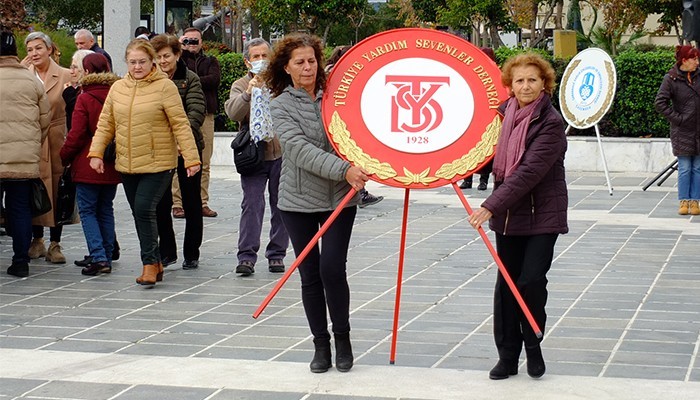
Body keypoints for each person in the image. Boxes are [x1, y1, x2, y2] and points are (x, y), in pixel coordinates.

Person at [264, 33, 368, 373]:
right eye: (300, 62)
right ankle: (320, 344)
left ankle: (343, 339)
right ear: (286, 67)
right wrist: (345, 169)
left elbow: (362, 131)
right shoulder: (278, 103)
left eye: (312, 60)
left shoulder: (339, 96)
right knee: (310, 274)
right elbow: (297, 149)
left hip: (341, 195)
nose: (308, 67)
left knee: (332, 269)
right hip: (297, 201)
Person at [468, 53, 568, 380]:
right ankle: (507, 356)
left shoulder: (551, 124)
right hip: (510, 217)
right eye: (520, 80)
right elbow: (477, 150)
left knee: (531, 281)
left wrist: (489, 205)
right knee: (507, 285)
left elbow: (527, 173)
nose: (526, 86)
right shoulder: (502, 115)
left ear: (544, 84)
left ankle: (533, 343)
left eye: (533, 80)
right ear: (510, 85)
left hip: (542, 216)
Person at [88, 38, 201, 286]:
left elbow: (180, 124)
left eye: (142, 62)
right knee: (139, 213)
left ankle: (149, 262)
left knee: (144, 209)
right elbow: (106, 123)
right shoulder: (118, 88)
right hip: (127, 163)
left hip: (158, 162)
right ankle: (156, 262)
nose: (137, 67)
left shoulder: (165, 87)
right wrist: (96, 153)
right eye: (132, 62)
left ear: (152, 62)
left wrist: (191, 158)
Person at [225, 38, 289, 276]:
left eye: (265, 56)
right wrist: (249, 93)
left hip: (280, 152)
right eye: (256, 57)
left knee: (281, 204)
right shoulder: (241, 84)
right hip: (253, 154)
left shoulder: (281, 82)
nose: (261, 61)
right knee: (252, 204)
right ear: (247, 61)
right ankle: (246, 256)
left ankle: (277, 254)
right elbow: (233, 112)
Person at [59, 53, 121, 276]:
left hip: (88, 163)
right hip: (112, 163)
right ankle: (105, 253)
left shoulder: (84, 98)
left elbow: (75, 135)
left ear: (87, 72)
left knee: (87, 210)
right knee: (105, 208)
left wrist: (63, 156)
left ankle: (98, 256)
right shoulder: (118, 93)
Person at [151, 34, 205, 270]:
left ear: (177, 55)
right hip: (159, 149)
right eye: (158, 57)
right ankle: (167, 251)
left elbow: (196, 111)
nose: (163, 61)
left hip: (188, 147)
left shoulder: (190, 79)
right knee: (160, 202)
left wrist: (181, 138)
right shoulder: (149, 81)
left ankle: (191, 252)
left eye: (166, 56)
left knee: (191, 200)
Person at [0, 31, 51, 277]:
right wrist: (32, 145)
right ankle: (20, 261)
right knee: (19, 209)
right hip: (24, 158)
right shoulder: (32, 81)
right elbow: (45, 121)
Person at [24, 31, 73, 264]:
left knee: (57, 189)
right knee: (34, 188)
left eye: (38, 48)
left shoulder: (65, 75)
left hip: (56, 138)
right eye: (30, 49)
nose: (34, 53)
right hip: (32, 138)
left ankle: (55, 243)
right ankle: (37, 239)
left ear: (50, 49)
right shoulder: (24, 75)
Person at [325, 45, 383, 208]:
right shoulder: (334, 72)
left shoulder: (343, 72)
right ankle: (361, 193)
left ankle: (361, 193)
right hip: (339, 123)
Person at [172, 27, 221, 219]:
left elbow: (214, 80)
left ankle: (202, 202)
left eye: (195, 41)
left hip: (206, 114)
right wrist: (179, 47)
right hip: (181, 115)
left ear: (202, 42)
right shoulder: (178, 61)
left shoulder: (210, 61)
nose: (192, 44)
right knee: (177, 160)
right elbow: (174, 77)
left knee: (204, 161)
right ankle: (177, 203)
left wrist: (190, 81)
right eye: (188, 41)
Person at [654, 45, 700, 215]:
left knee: (697, 168)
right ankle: (684, 201)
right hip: (682, 131)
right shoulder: (671, 78)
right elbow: (660, 103)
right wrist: (677, 119)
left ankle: (695, 201)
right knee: (685, 167)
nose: (697, 62)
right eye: (694, 58)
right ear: (684, 60)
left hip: (698, 130)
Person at [460, 47, 496, 191]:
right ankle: (467, 179)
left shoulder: (496, 73)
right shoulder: (472, 71)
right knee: (468, 150)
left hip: (490, 118)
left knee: (487, 151)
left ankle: (483, 181)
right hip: (472, 118)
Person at [62, 49, 93, 131]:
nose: (71, 72)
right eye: (71, 67)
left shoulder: (91, 91)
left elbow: (77, 117)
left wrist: (68, 93)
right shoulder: (82, 88)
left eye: (75, 67)